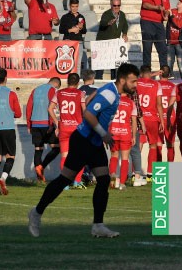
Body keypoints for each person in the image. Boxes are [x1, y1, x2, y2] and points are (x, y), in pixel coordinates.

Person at [28, 62, 140, 239]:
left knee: (103, 180)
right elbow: (88, 112)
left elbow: (89, 100)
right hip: (84, 141)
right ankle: (36, 212)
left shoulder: (110, 89)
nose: (135, 85)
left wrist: (101, 132)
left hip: (93, 142)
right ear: (123, 79)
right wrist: (104, 133)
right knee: (65, 179)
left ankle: (98, 225)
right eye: (133, 81)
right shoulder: (110, 94)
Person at [0, 68, 22, 196]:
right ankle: (3, 178)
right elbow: (18, 113)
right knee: (10, 156)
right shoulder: (11, 94)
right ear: (6, 78)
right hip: (7, 128)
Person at [50, 72, 86, 188]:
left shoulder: (59, 92)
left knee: (64, 156)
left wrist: (57, 123)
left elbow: (50, 108)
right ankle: (77, 181)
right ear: (78, 83)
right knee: (80, 156)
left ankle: (64, 184)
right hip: (77, 129)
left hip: (64, 128)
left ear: (67, 81)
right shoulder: (80, 93)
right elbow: (84, 111)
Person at [27, 77, 62, 182]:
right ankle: (42, 166)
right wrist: (53, 123)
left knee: (38, 149)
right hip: (47, 123)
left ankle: (39, 178)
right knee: (56, 147)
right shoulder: (53, 90)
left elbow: (29, 107)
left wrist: (29, 125)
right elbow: (52, 108)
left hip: (35, 123)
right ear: (56, 84)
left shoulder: (35, 90)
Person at [136, 65, 166, 178]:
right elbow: (159, 104)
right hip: (152, 119)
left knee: (138, 145)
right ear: (150, 73)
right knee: (152, 145)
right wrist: (162, 121)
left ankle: (136, 173)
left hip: (139, 118)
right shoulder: (156, 84)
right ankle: (150, 173)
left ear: (141, 73)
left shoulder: (137, 82)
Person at [108, 87, 137, 190]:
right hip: (125, 133)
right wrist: (134, 136)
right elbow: (133, 121)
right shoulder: (131, 103)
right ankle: (122, 183)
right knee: (125, 159)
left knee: (114, 156)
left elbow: (107, 117)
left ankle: (112, 176)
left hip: (113, 132)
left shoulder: (113, 101)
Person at [140, 0, 171, 69]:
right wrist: (156, 7)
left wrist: (166, 14)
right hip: (147, 21)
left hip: (159, 23)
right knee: (147, 48)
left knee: (162, 48)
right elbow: (145, 4)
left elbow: (167, 8)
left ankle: (164, 71)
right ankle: (147, 71)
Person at [96, 0, 129, 79]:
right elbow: (102, 23)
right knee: (101, 65)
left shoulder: (122, 15)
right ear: (111, 5)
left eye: (118, 5)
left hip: (114, 43)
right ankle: (98, 81)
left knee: (114, 65)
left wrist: (124, 33)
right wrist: (108, 23)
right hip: (103, 42)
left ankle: (114, 81)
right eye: (115, 5)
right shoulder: (107, 14)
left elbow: (125, 25)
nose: (116, 7)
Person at [59, 0, 87, 68]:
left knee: (78, 63)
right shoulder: (65, 17)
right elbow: (61, 30)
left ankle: (76, 78)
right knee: (68, 62)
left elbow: (84, 31)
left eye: (76, 6)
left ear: (78, 6)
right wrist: (70, 30)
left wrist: (81, 28)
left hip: (78, 42)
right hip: (68, 42)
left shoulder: (81, 17)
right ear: (69, 6)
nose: (74, 8)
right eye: (73, 6)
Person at [157, 65, 178, 162]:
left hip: (158, 117)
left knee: (158, 145)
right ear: (169, 75)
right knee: (170, 144)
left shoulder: (155, 85)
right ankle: (170, 170)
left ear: (160, 73)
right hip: (170, 117)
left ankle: (160, 173)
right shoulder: (173, 86)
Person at [166, 0, 182, 77]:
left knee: (181, 64)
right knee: (169, 62)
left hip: (180, 43)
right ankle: (169, 79)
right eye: (179, 1)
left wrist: (172, 16)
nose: (179, 2)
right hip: (170, 41)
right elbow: (165, 15)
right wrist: (166, 13)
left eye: (181, 2)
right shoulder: (173, 11)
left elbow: (179, 25)